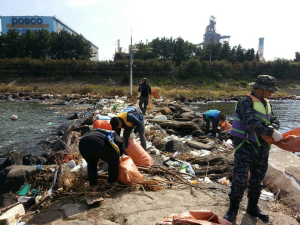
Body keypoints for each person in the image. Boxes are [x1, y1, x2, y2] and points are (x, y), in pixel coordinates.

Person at [223, 75, 282, 223]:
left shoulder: (267, 103)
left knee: (258, 179)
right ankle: (232, 210)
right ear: (261, 89)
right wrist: (271, 132)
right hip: (245, 147)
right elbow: (250, 122)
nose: (271, 93)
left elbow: (275, 120)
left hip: (262, 148)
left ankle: (252, 207)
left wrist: (273, 127)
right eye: (269, 90)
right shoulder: (245, 102)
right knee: (240, 180)